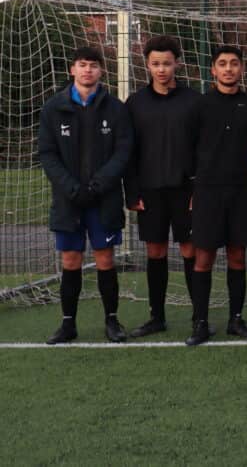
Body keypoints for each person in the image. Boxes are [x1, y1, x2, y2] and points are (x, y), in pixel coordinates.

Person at [39, 47, 133, 344]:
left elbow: (123, 151)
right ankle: (68, 324)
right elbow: (47, 154)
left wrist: (98, 185)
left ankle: (112, 321)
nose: (87, 70)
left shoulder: (116, 108)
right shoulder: (53, 108)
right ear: (72, 69)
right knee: (70, 259)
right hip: (69, 200)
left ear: (102, 71)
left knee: (105, 258)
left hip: (103, 199)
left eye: (93, 65)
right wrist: (71, 188)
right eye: (82, 65)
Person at [125, 35, 202, 338]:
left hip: (186, 191)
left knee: (190, 250)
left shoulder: (194, 101)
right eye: (155, 64)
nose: (161, 69)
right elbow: (128, 152)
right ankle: (157, 316)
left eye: (167, 63)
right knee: (155, 252)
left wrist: (199, 190)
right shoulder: (135, 104)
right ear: (147, 65)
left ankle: (200, 316)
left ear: (177, 64)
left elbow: (203, 149)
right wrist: (132, 192)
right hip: (150, 192)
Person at [185, 45, 247, 346]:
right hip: (207, 194)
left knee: (238, 256)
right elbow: (187, 150)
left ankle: (236, 319)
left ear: (242, 69)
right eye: (222, 64)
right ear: (213, 70)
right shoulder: (199, 106)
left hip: (241, 192)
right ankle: (200, 322)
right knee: (203, 257)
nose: (228, 69)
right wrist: (195, 186)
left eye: (234, 64)